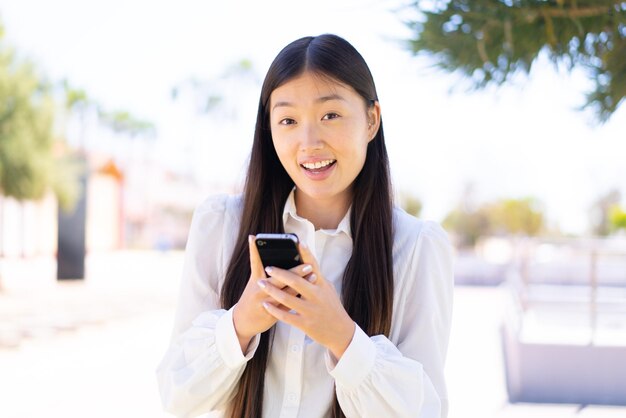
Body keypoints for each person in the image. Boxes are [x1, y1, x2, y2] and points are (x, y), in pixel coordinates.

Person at [156, 34, 454, 418]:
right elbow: (177, 399)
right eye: (288, 120)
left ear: (371, 120)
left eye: (330, 115)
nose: (308, 141)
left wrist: (341, 336)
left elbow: (426, 411)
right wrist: (242, 322)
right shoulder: (222, 225)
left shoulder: (417, 247)